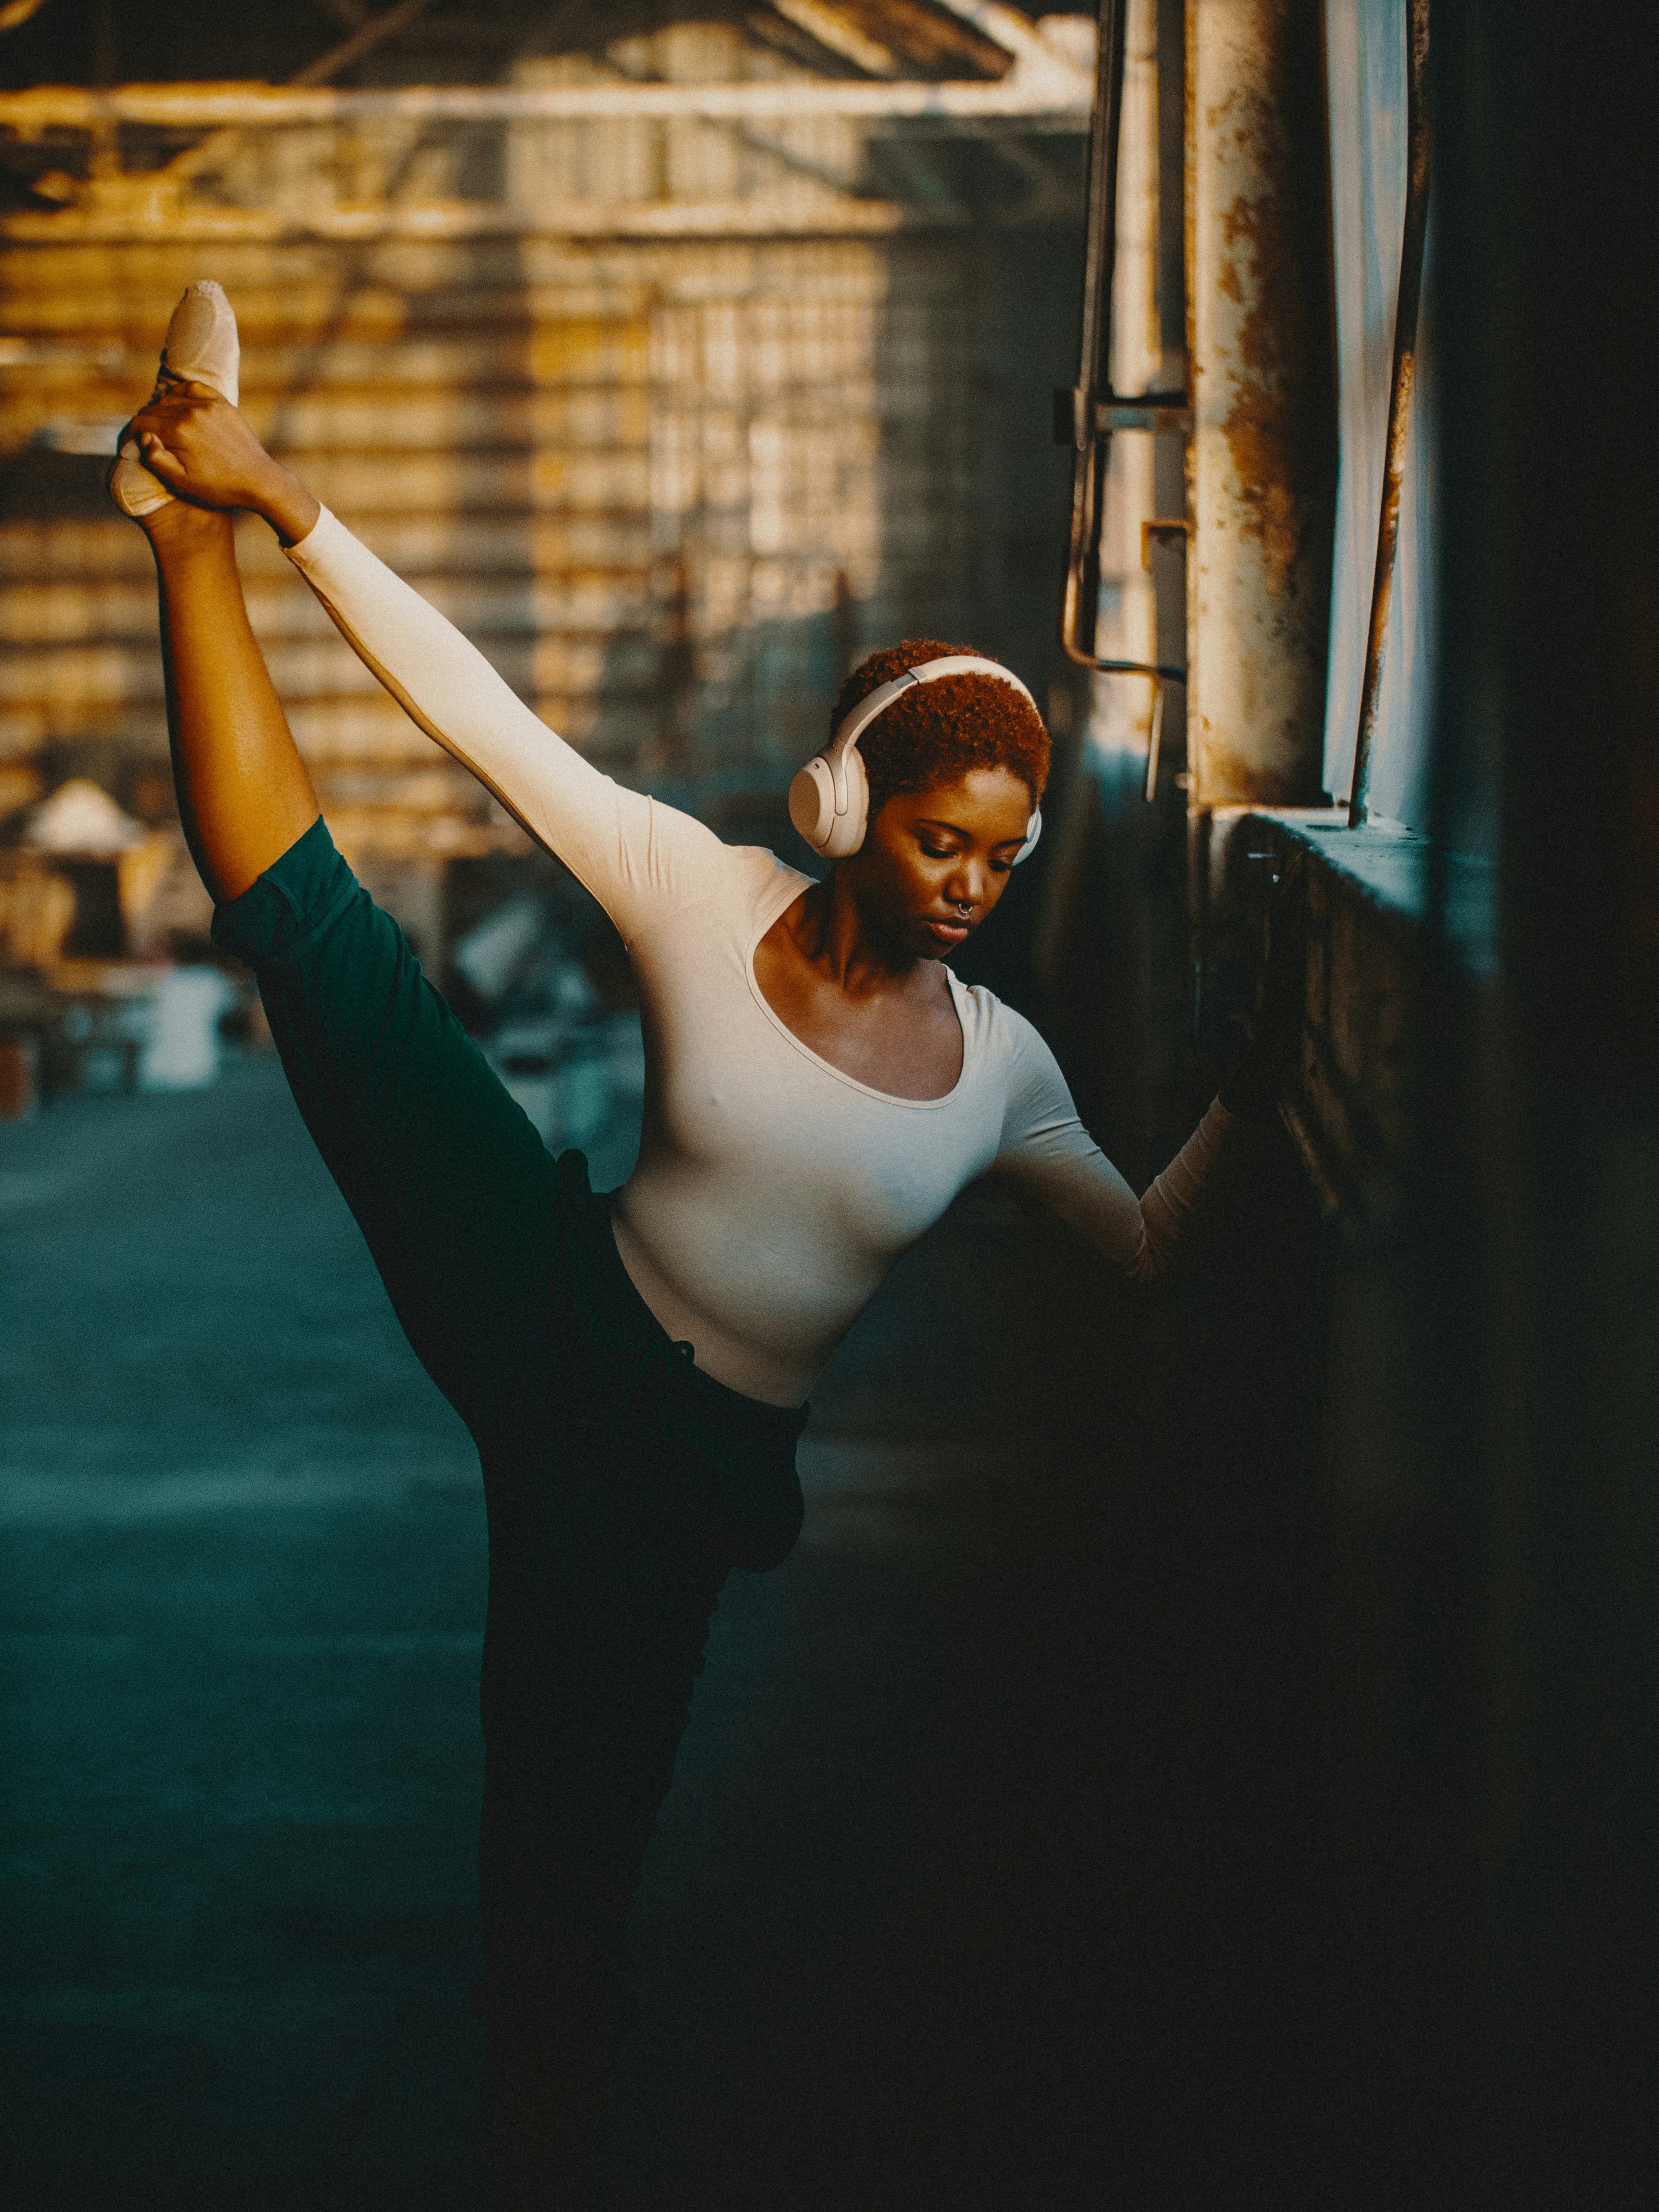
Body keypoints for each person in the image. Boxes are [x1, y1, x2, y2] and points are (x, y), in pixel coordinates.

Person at [113, 287, 1265, 2209]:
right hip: (544, 1281)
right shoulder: (699, 889)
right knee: (320, 952)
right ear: (844, 814)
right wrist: (278, 497)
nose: (973, 888)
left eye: (1004, 854)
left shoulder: (1006, 1075)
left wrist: (1259, 1095)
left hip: (663, 1479)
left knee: (561, 1871)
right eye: (940, 844)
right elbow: (472, 710)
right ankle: (177, 534)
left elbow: (1137, 1255)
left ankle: (530, 2146)